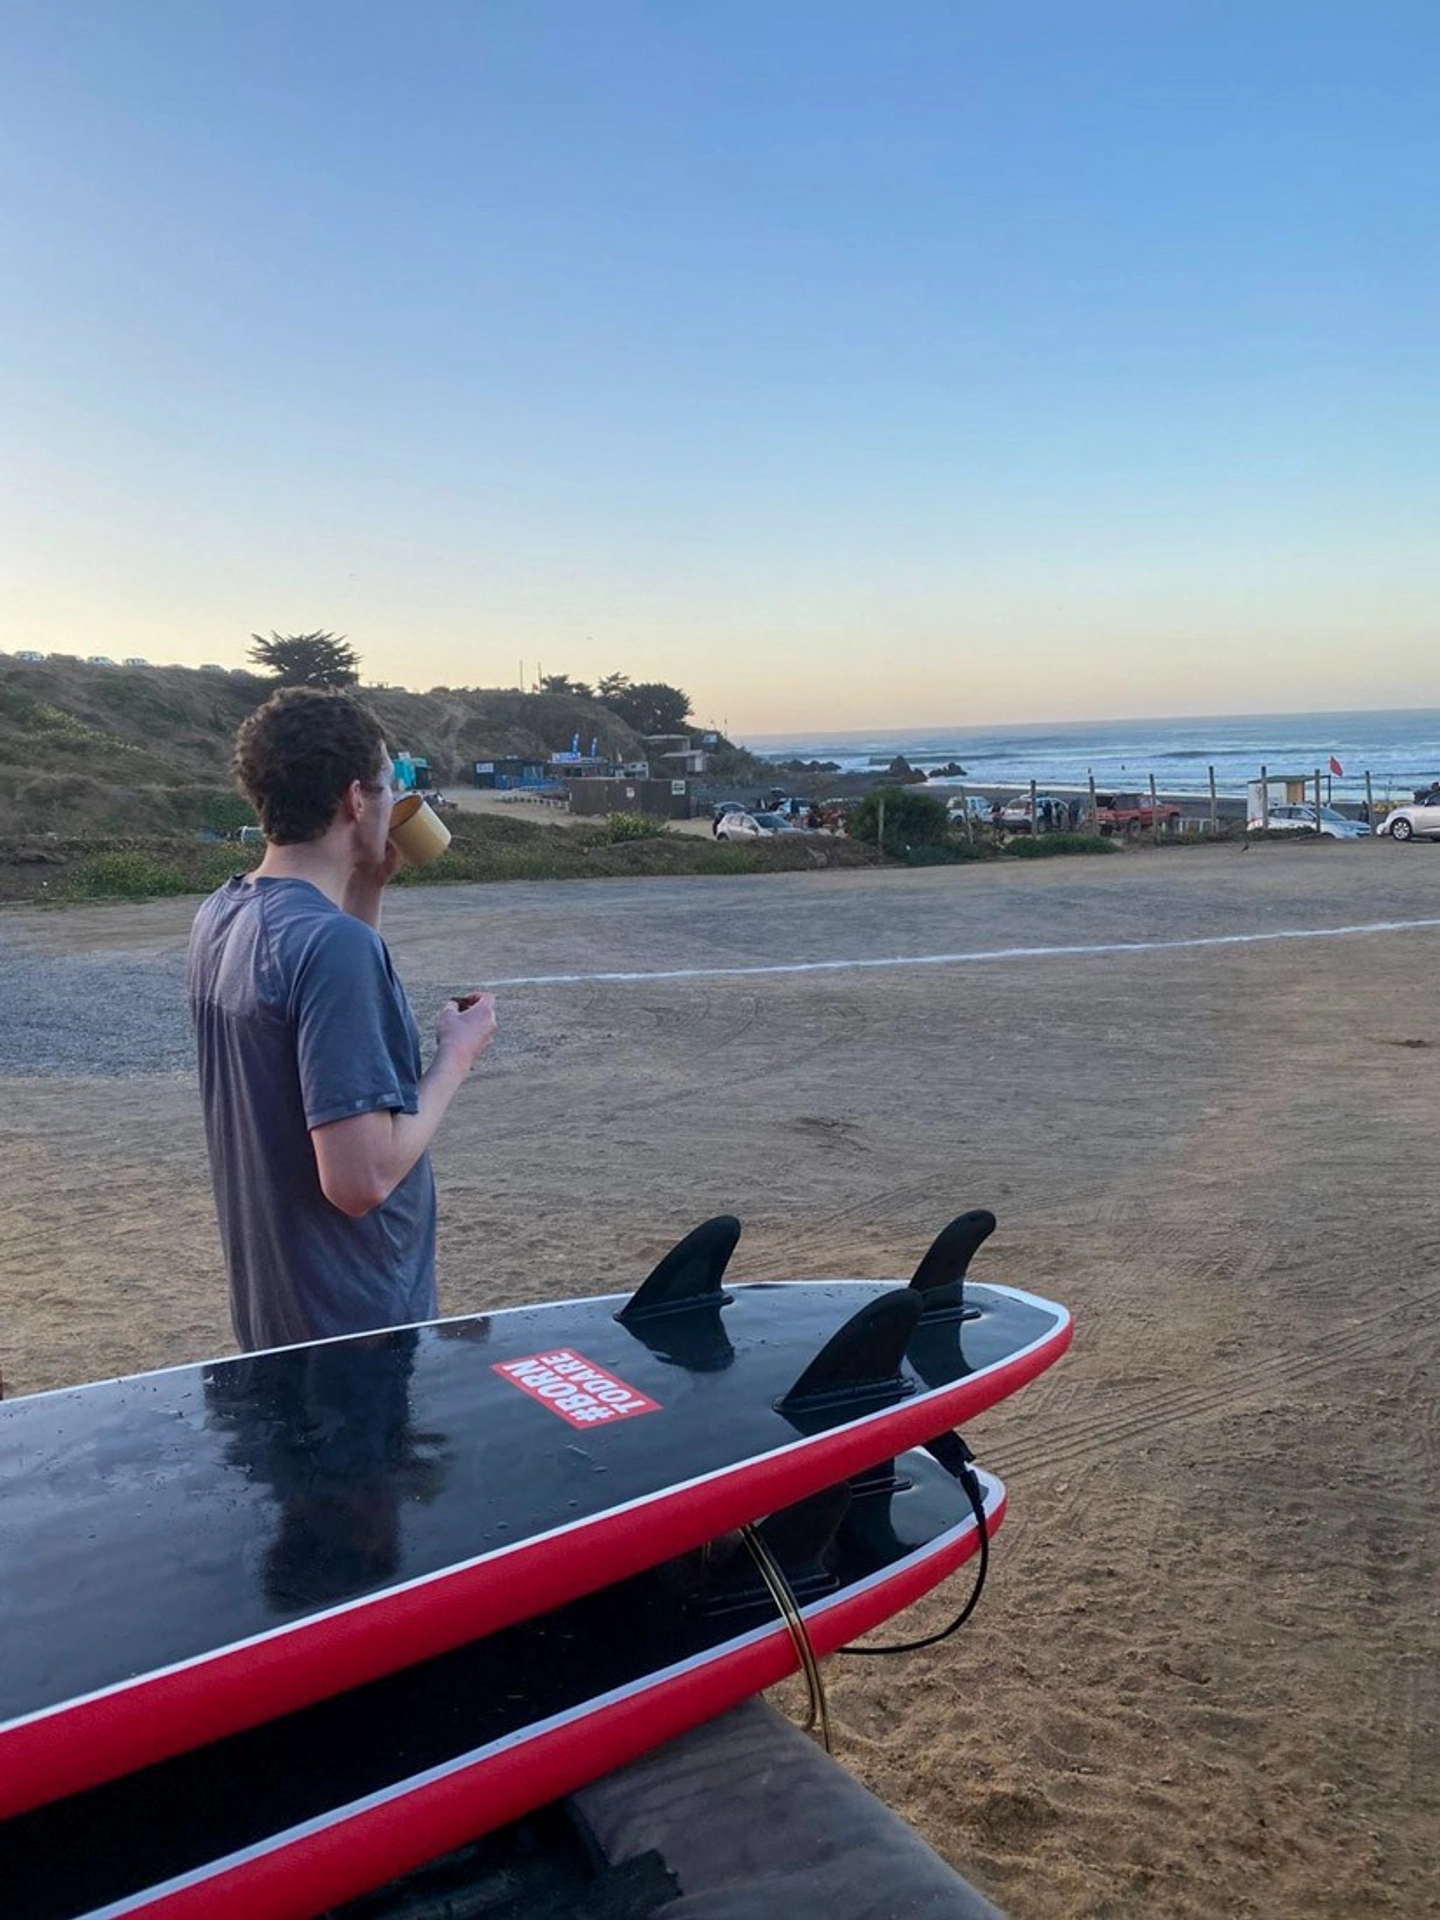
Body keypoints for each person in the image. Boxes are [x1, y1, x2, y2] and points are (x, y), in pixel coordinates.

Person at [188, 687, 497, 1352]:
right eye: (390, 784)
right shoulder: (333, 947)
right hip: (359, 1328)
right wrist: (456, 1056)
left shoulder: (222, 914)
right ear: (356, 799)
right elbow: (361, 1179)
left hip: (280, 1314)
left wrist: (367, 888)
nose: (396, 799)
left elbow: (321, 1039)